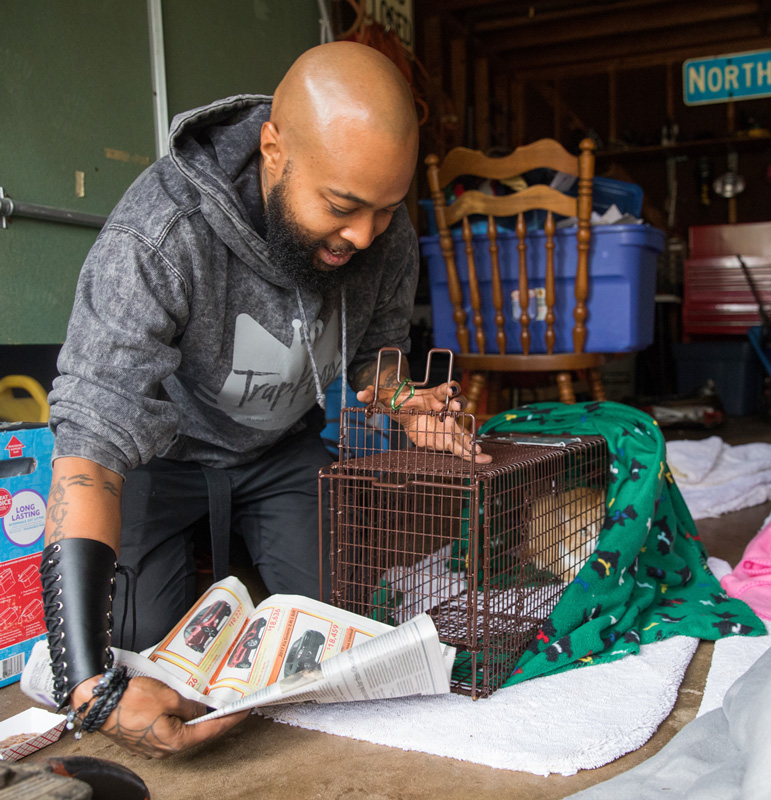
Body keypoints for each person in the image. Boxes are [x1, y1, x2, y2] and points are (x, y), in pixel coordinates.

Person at [39, 41, 489, 760]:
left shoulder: (382, 229)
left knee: (342, 630)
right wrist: (87, 690)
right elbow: (90, 449)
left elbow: (375, 357)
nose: (366, 235)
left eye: (386, 209)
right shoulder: (159, 235)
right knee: (133, 648)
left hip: (281, 450)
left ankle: (250, 562)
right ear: (274, 150)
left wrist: (407, 402)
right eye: (342, 207)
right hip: (166, 456)